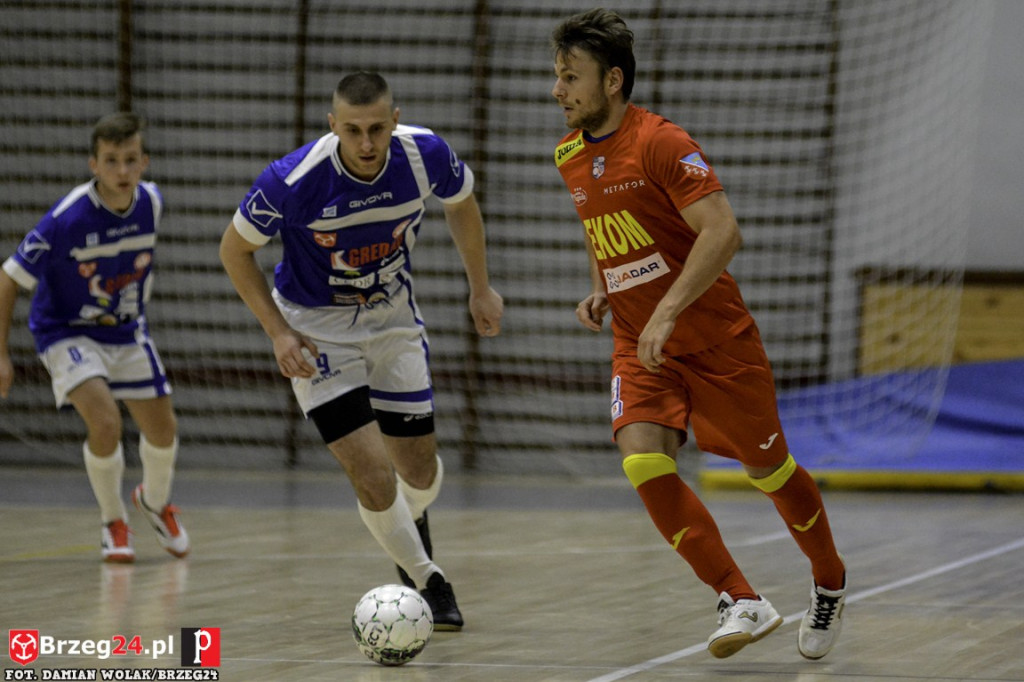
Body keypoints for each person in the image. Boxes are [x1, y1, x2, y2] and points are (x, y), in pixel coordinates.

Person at [550, 9, 846, 660]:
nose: (558, 90)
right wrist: (608, 284)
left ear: (614, 81)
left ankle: (828, 578)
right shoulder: (570, 155)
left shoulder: (660, 143)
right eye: (557, 75)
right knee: (642, 459)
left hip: (715, 341)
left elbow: (723, 232)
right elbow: (604, 225)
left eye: (571, 77)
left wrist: (667, 311)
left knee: (769, 469)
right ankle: (738, 596)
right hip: (639, 343)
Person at [219, 71, 503, 631]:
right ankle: (429, 580)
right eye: (353, 131)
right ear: (333, 127)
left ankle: (406, 522)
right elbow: (233, 252)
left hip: (393, 321)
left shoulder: (424, 156)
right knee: (372, 476)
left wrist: (480, 286)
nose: (367, 143)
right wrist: (279, 331)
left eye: (377, 128)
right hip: (316, 331)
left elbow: (462, 203)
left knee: (417, 475)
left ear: (395, 119)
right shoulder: (292, 180)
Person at [0, 112, 190, 564]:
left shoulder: (152, 203)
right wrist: (1, 354)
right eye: (111, 161)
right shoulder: (66, 219)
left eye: (130, 160)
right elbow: (8, 279)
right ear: (94, 165)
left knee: (163, 430)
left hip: (125, 331)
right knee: (105, 421)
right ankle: (113, 521)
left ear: (144, 162)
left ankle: (155, 502)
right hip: (65, 331)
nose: (121, 171)